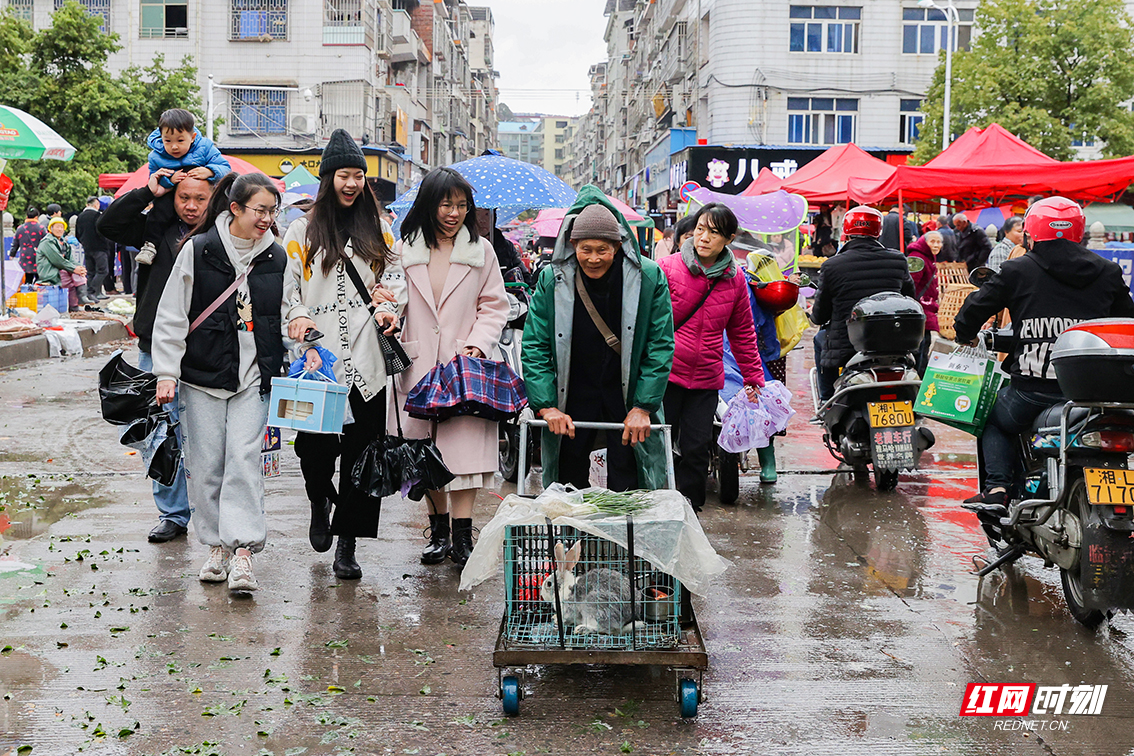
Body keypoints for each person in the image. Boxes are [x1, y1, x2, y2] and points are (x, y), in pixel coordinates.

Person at [151, 172, 287, 593]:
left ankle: (243, 552)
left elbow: (285, 313)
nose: (266, 218)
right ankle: (215, 547)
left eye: (271, 211)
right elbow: (172, 313)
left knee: (244, 460)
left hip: (253, 377)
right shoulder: (199, 250)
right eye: (259, 210)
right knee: (207, 464)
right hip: (202, 374)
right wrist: (166, 372)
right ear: (235, 209)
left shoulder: (278, 257)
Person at [954, 197, 1134, 509]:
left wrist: (965, 335)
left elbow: (972, 310)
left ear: (1031, 234)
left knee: (991, 419)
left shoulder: (1017, 270)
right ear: (1078, 232)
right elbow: (1126, 322)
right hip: (1091, 395)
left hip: (1032, 392)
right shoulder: (1108, 271)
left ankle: (997, 489)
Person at [283, 129, 407, 581]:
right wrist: (297, 318)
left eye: (359, 175)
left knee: (362, 454)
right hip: (320, 361)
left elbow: (396, 280)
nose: (352, 183)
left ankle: (348, 543)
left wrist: (390, 306)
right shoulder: (301, 230)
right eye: (343, 175)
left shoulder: (380, 227)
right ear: (328, 177)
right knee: (314, 451)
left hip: (367, 359)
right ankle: (319, 499)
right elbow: (289, 288)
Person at [522, 187, 675, 493]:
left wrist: (643, 406)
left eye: (602, 249)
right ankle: (573, 541)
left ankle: (622, 541)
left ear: (618, 246)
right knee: (568, 487)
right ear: (572, 243)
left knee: (631, 487)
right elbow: (535, 345)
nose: (593, 258)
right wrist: (547, 406)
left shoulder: (648, 278)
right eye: (585, 249)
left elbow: (660, 345)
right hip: (572, 396)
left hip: (628, 397)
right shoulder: (553, 280)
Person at [393, 167, 509, 569]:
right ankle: (438, 531)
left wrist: (477, 343)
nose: (454, 212)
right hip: (420, 364)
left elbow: (495, 305)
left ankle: (463, 536)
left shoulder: (481, 251)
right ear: (429, 204)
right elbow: (390, 298)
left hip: (465, 368)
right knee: (425, 454)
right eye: (446, 203)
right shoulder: (404, 249)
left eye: (461, 205)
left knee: (464, 456)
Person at [98, 169, 212, 544]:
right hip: (153, 346)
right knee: (159, 431)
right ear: (172, 198)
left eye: (200, 198)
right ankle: (172, 514)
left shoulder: (223, 235)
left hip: (205, 347)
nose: (191, 206)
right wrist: (148, 192)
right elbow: (109, 225)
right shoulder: (156, 230)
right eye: (184, 198)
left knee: (207, 433)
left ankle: (215, 515)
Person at [659, 203, 763, 511]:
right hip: (666, 374)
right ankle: (656, 503)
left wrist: (753, 376)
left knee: (696, 447)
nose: (704, 238)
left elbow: (742, 332)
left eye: (714, 233)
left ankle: (690, 509)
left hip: (706, 378)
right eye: (700, 229)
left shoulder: (735, 280)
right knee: (659, 444)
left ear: (729, 239)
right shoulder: (667, 268)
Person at [811, 206, 916, 402]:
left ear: (846, 232)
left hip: (848, 344)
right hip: (891, 340)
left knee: (819, 339)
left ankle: (826, 400)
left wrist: (816, 315)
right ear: (878, 231)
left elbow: (820, 315)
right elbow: (909, 298)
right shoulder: (898, 259)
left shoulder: (832, 265)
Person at [136, 108, 231, 267]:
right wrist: (170, 180)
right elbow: (155, 179)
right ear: (161, 138)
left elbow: (225, 169)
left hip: (201, 187)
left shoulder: (205, 147)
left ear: (192, 137)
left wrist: (209, 171)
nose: (174, 147)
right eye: (168, 141)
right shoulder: (155, 156)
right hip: (171, 193)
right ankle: (150, 245)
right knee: (158, 211)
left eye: (180, 141)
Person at [906, 232, 941, 375]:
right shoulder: (917, 258)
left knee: (924, 346)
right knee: (919, 348)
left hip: (924, 309)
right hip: (919, 310)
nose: (936, 245)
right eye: (932, 241)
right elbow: (910, 284)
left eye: (939, 242)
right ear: (925, 242)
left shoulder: (927, 257)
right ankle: (917, 380)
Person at [35, 218, 89, 309]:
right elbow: (58, 260)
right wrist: (74, 269)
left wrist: (80, 268)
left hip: (61, 271)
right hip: (51, 273)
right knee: (74, 274)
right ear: (51, 228)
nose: (60, 229)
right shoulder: (47, 242)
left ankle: (79, 300)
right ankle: (80, 299)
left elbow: (71, 259)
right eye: (57, 227)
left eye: (62, 227)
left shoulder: (64, 243)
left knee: (77, 273)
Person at [74, 197, 112, 300]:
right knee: (102, 270)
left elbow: (77, 233)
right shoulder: (98, 216)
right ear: (96, 205)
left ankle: (95, 293)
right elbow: (103, 232)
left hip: (86, 247)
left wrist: (83, 242)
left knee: (91, 272)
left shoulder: (80, 217)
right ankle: (92, 291)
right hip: (99, 247)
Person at [13, 206, 45, 285]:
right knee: (39, 281)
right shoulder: (41, 228)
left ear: (27, 216)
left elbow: (15, 244)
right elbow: (46, 243)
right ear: (37, 217)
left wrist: (11, 255)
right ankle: (37, 296)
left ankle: (27, 295)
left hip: (25, 258)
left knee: (27, 280)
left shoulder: (20, 228)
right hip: (38, 258)